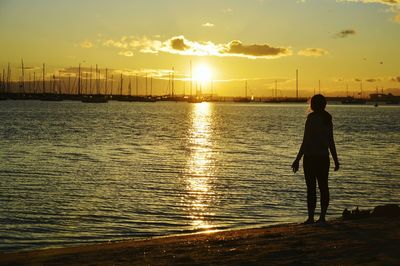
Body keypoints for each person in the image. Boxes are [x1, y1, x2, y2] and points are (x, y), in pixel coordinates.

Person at [292, 94, 340, 224]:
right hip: (324, 158)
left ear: (313, 105)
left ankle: (311, 217)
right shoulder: (327, 119)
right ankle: (323, 217)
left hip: (310, 158)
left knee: (311, 189)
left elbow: (305, 141)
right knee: (324, 187)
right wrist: (336, 160)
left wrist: (297, 159)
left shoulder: (311, 119)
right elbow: (331, 142)